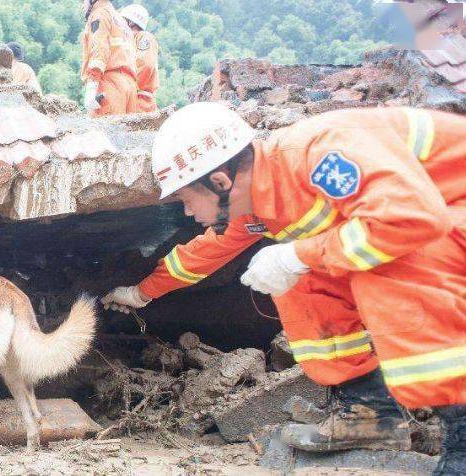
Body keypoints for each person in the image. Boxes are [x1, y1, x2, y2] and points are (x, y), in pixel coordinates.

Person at [102, 102, 466, 475]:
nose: (187, 213)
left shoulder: (322, 154)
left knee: (391, 269)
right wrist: (140, 293)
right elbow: (204, 254)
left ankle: (461, 440)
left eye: (185, 199)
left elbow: (413, 219)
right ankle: (369, 413)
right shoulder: (258, 202)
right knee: (298, 282)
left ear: (220, 181)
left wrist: (299, 253)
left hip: (445, 214)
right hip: (434, 222)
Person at [81, 0, 138, 116]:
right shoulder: (121, 21)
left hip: (111, 84)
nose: (82, 5)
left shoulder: (100, 14)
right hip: (130, 86)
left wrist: (92, 84)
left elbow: (99, 50)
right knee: (127, 132)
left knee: (103, 131)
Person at [120, 4, 159, 112]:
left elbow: (145, 65)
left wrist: (127, 88)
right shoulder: (126, 41)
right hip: (127, 100)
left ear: (131, 22)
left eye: (122, 20)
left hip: (140, 102)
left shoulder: (144, 37)